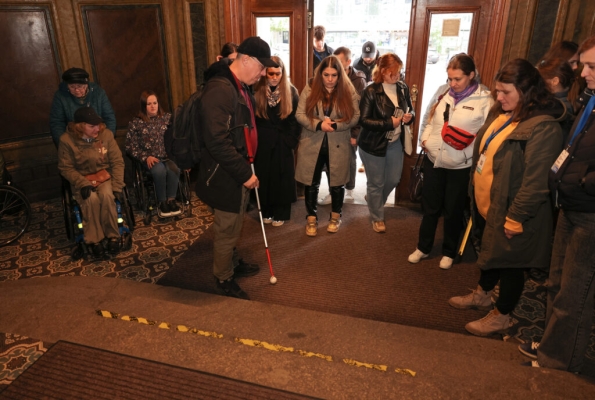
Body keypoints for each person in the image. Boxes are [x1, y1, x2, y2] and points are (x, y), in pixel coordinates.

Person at [448, 59, 565, 337]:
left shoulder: (543, 127)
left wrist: (515, 217)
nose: (499, 97)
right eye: (497, 91)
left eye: (506, 92)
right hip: (492, 205)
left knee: (511, 263)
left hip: (515, 212)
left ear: (527, 91)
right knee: (491, 254)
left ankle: (502, 315)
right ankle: (483, 294)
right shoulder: (503, 113)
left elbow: (536, 183)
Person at [517, 35, 595, 373]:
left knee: (574, 296)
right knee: (557, 282)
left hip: (590, 211)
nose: (583, 72)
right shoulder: (590, 98)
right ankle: (549, 343)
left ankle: (556, 365)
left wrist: (583, 182)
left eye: (592, 66)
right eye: (583, 64)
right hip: (570, 204)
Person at [195, 36, 278, 300]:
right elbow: (217, 142)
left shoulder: (238, 85)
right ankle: (224, 277)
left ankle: (232, 262)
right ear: (245, 60)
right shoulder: (221, 89)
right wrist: (245, 175)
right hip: (226, 173)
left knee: (235, 222)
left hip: (237, 168)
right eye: (261, 67)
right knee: (227, 228)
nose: (264, 73)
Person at [408, 54, 493, 268]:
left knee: (453, 210)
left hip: (460, 165)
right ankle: (423, 247)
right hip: (434, 160)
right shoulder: (443, 93)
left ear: (471, 75)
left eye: (458, 79)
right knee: (430, 208)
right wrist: (425, 140)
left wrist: (468, 155)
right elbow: (431, 118)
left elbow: (487, 136)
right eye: (450, 79)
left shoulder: (485, 99)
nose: (453, 84)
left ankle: (449, 251)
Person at [295, 55, 360, 236]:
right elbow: (299, 114)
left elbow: (355, 117)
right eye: (326, 75)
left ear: (340, 75)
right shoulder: (310, 88)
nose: (330, 80)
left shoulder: (348, 90)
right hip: (312, 143)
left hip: (338, 142)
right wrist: (318, 124)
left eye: (334, 75)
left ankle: (335, 216)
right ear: (320, 74)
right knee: (311, 183)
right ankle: (311, 218)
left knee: (337, 183)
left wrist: (337, 125)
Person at [58, 107, 125, 258]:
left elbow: (117, 162)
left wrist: (117, 186)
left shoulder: (106, 135)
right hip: (82, 179)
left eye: (98, 125)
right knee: (91, 199)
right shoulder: (67, 141)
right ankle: (95, 241)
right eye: (92, 126)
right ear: (80, 126)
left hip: (103, 176)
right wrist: (82, 183)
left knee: (107, 197)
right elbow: (65, 168)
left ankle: (113, 236)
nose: (97, 129)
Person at [358, 53, 414, 233]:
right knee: (376, 182)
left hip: (395, 142)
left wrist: (408, 117)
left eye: (399, 72)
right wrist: (390, 123)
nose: (397, 76)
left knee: (393, 179)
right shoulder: (371, 91)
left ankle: (374, 200)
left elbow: (410, 110)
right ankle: (377, 217)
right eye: (393, 73)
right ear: (383, 71)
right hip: (373, 144)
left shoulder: (403, 88)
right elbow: (364, 120)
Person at [253, 56, 300, 226]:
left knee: (282, 177)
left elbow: (295, 121)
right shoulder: (257, 90)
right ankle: (266, 211)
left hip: (282, 141)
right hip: (263, 141)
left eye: (277, 74)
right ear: (265, 73)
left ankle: (281, 212)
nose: (273, 77)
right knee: (264, 176)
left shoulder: (292, 92)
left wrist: (290, 142)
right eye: (270, 73)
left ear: (282, 73)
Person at [318, 47, 367, 205]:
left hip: (351, 128)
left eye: (339, 61)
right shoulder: (334, 79)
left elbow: (360, 110)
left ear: (348, 62)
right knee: (332, 161)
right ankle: (334, 191)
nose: (335, 65)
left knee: (350, 159)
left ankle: (350, 190)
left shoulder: (358, 80)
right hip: (334, 128)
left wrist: (355, 134)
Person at [125, 90, 181, 218]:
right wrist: (145, 157)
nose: (152, 106)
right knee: (159, 170)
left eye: (155, 103)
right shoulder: (136, 122)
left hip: (167, 156)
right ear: (143, 106)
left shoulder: (167, 118)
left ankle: (171, 200)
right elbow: (129, 146)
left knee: (174, 168)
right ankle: (162, 203)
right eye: (149, 103)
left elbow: (176, 138)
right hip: (150, 158)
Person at [50, 68, 116, 147]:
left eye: (80, 86)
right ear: (67, 86)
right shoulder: (60, 96)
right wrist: (65, 145)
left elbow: (109, 117)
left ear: (86, 84)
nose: (77, 90)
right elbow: (57, 123)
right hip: (74, 140)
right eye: (72, 87)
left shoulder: (98, 93)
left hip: (98, 137)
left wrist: (107, 141)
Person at [536, 57, 576, 138]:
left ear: (554, 81)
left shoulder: (559, 107)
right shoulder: (555, 102)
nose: (538, 84)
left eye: (541, 80)